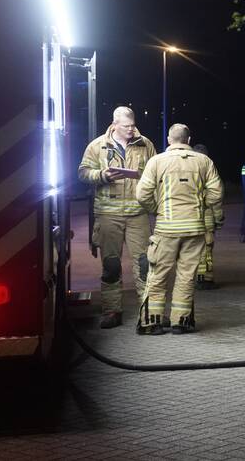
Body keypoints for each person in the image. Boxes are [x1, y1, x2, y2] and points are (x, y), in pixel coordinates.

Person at [136, 123, 223, 335]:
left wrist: (156, 209)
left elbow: (142, 194)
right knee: (186, 277)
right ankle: (180, 322)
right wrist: (201, 206)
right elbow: (216, 193)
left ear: (168, 139)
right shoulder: (204, 162)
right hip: (194, 229)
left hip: (166, 229)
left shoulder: (156, 162)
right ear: (189, 139)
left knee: (157, 275)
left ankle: (151, 323)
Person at [77, 106, 156, 329]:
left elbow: (155, 172)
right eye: (126, 126)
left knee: (144, 264)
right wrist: (102, 175)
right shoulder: (97, 146)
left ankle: (149, 311)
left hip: (137, 214)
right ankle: (112, 311)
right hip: (108, 214)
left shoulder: (145, 144)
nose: (131, 129)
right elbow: (82, 173)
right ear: (115, 124)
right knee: (111, 265)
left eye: (133, 125)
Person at [193, 144, 220, 289]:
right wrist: (219, 218)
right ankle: (205, 279)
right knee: (207, 248)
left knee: (194, 249)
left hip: (190, 217)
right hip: (206, 216)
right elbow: (216, 197)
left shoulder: (187, 171)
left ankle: (198, 277)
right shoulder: (209, 170)